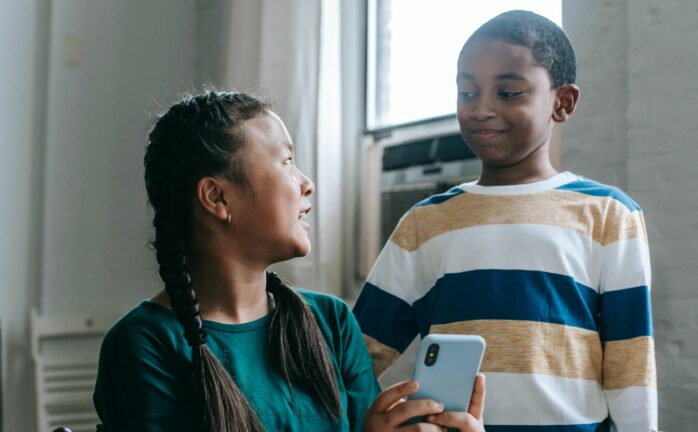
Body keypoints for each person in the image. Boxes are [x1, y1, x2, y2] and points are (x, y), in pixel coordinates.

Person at [93, 91, 485, 432]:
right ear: (217, 198)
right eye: (286, 161)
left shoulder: (331, 321)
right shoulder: (143, 345)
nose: (306, 182)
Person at [353, 10, 656, 432]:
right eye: (467, 92)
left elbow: (630, 370)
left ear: (562, 103)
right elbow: (355, 358)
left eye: (509, 93)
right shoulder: (424, 223)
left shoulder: (608, 214)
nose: (481, 109)